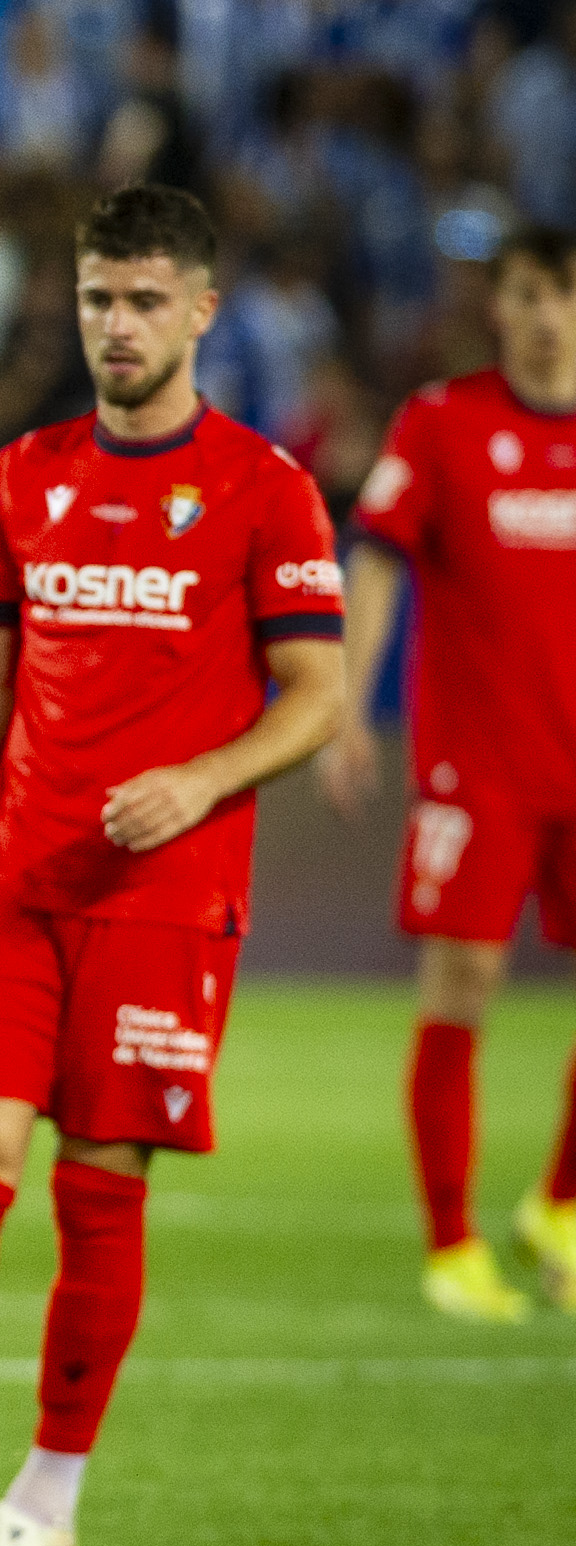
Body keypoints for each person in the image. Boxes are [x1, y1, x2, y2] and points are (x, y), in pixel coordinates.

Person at [0, 184, 346, 1546]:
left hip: (167, 898)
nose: (118, 324)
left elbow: (321, 692)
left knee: (99, 1186)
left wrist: (209, 778)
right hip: (16, 882)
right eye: (99, 298)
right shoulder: (22, 474)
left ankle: (46, 1503)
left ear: (203, 311)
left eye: (146, 300)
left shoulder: (264, 488)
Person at [326, 224, 576, 1319]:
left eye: (563, 294)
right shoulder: (443, 422)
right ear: (499, 307)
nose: (547, 315)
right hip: (478, 768)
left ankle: (559, 1204)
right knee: (462, 989)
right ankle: (451, 1243)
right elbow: (376, 563)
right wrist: (343, 703)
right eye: (527, 293)